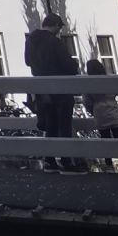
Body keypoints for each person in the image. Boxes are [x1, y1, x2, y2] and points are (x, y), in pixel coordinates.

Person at [25, 13, 81, 172]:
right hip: (60, 90)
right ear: (55, 25)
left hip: (42, 91)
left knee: (50, 124)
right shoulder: (55, 42)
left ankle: (49, 160)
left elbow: (28, 61)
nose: (60, 30)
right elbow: (68, 65)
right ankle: (66, 160)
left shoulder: (30, 41)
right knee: (64, 125)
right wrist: (74, 64)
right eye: (59, 27)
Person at [83, 58, 118, 171]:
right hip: (113, 110)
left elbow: (87, 101)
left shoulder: (88, 84)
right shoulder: (109, 79)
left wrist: (92, 111)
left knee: (105, 140)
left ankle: (109, 165)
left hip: (99, 112)